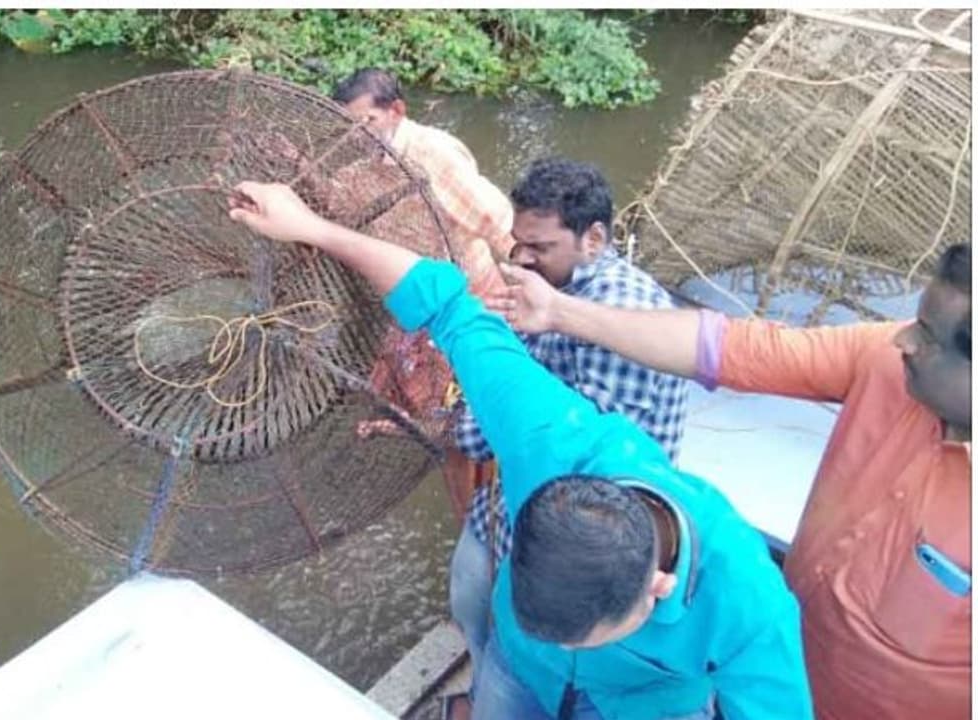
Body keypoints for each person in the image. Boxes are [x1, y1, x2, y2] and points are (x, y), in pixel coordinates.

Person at [228, 181, 813, 720]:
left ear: (657, 587)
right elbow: (443, 301)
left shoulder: (750, 607)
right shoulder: (547, 439)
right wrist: (311, 227)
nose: (563, 647)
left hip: (644, 703)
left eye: (577, 637)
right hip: (519, 666)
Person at [486, 245, 972, 720]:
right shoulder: (886, 361)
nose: (902, 341)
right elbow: (728, 349)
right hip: (760, 666)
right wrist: (559, 311)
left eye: (928, 338)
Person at [449, 157, 692, 692]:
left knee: (523, 670)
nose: (520, 260)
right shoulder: (554, 290)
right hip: (510, 508)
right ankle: (484, 669)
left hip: (576, 535)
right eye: (518, 243)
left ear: (594, 239)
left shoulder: (621, 321)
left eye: (540, 247)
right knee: (469, 604)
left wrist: (492, 354)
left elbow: (537, 450)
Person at [333, 67, 515, 517]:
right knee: (421, 400)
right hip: (417, 304)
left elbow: (495, 219)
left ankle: (483, 507)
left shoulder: (432, 155)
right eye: (349, 126)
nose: (358, 135)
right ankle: (434, 449)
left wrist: (531, 279)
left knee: (474, 412)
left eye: (366, 123)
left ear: (396, 111)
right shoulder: (372, 159)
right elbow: (340, 202)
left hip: (469, 296)